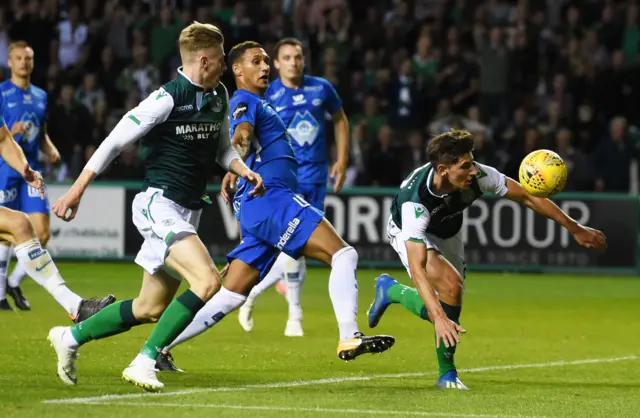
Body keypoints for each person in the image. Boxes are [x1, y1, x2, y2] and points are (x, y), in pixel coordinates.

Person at [46, 22, 264, 392]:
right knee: (208, 280)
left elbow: (222, 148)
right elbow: (115, 141)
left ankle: (69, 337)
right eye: (222, 61)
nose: (226, 68)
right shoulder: (167, 97)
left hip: (187, 209)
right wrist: (75, 191)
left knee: (150, 308)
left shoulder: (219, 95)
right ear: (206, 60)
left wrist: (242, 169)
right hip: (157, 204)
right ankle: (144, 361)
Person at [154, 41, 394, 372]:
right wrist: (235, 158)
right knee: (343, 254)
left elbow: (243, 143)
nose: (265, 67)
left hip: (258, 204)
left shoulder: (258, 101)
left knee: (232, 293)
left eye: (267, 61)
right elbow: (242, 133)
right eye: (257, 61)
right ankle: (349, 334)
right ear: (237, 70)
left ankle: (159, 347)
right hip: (271, 197)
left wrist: (233, 167)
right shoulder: (244, 100)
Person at [366, 129, 607, 390]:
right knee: (450, 288)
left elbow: (527, 196)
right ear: (444, 170)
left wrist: (575, 228)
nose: (473, 171)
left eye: (472, 161)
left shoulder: (479, 175)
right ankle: (447, 374)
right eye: (465, 166)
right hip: (407, 232)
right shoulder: (416, 205)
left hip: (449, 229)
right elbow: (417, 266)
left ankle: (390, 290)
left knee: (452, 300)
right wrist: (438, 317)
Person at [235, 37, 350, 337]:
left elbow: (340, 119)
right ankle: (292, 316)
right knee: (292, 248)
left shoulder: (321, 88)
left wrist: (342, 158)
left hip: (316, 177)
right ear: (277, 63)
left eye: (298, 57)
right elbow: (250, 128)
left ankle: (259, 297)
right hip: (282, 181)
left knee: (295, 250)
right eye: (287, 58)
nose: (294, 62)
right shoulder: (267, 93)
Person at [0, 41, 115, 318]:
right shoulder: (3, 93)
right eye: (17, 58)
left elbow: (3, 138)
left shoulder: (40, 95)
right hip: (4, 174)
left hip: (23, 169)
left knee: (23, 226)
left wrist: (27, 168)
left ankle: (75, 306)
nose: (23, 63)